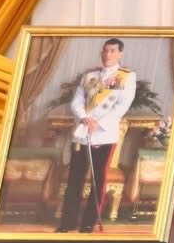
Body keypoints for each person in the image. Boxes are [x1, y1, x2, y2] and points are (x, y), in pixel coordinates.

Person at [59, 37, 137, 231]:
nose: (107, 54)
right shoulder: (89, 76)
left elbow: (121, 106)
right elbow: (77, 101)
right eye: (105, 50)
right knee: (74, 179)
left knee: (97, 180)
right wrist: (84, 117)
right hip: (82, 133)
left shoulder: (126, 77)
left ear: (120, 53)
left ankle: (88, 223)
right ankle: (67, 222)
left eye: (112, 51)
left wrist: (98, 123)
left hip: (104, 135)